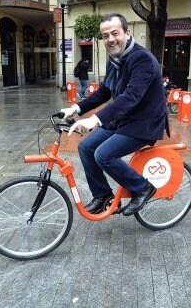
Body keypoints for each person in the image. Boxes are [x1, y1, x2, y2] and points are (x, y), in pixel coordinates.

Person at [60, 13, 168, 216]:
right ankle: (103, 196)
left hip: (144, 123)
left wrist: (95, 119)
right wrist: (76, 108)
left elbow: (131, 97)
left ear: (127, 33)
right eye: (105, 35)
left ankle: (143, 188)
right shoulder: (115, 60)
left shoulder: (141, 59)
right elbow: (104, 92)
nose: (110, 39)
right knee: (85, 147)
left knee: (104, 154)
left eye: (115, 33)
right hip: (123, 120)